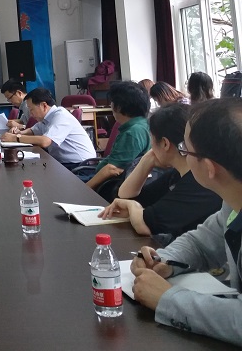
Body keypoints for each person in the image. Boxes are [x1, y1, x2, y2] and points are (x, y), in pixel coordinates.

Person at [131, 98, 242, 346]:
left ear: (210, 168)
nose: (182, 154)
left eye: (185, 150)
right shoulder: (233, 201)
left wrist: (168, 299)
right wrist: (164, 260)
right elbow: (202, 243)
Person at [98, 103, 221, 241]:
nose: (151, 145)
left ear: (165, 143)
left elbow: (146, 225)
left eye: (151, 138)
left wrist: (132, 207)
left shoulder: (199, 182)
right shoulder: (176, 174)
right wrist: (146, 161)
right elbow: (125, 198)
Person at [1, 88, 95, 168]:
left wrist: (16, 138)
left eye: (32, 109)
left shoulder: (61, 116)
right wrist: (19, 132)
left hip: (80, 165)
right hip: (64, 163)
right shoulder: (46, 118)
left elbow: (45, 141)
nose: (31, 114)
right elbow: (33, 130)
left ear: (44, 105)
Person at [84, 81, 151, 191]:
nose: (110, 105)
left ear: (119, 107)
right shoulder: (142, 124)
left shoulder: (133, 133)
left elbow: (112, 169)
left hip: (110, 185)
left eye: (112, 102)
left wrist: (85, 189)